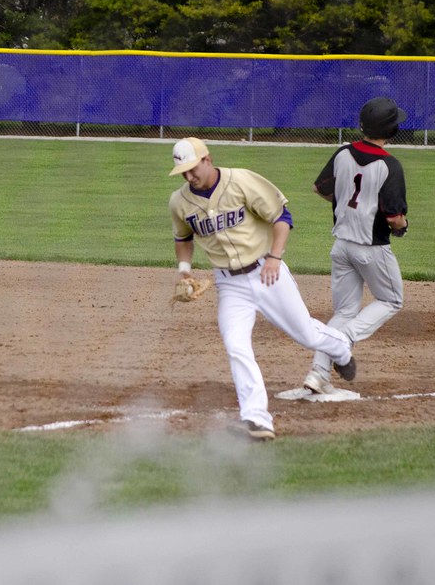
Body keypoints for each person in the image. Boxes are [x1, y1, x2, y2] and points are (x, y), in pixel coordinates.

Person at [167, 137, 353, 441]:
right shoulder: (180, 202)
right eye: (183, 172)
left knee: (306, 334)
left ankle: (340, 347)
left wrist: (275, 257)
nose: (189, 176)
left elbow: (281, 217)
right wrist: (184, 271)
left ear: (207, 159)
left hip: (267, 271)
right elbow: (183, 237)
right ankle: (256, 418)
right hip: (229, 285)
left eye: (192, 169)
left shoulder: (241, 181)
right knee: (236, 345)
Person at [304, 97, 409, 394]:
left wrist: (344, 202)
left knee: (344, 311)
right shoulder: (389, 165)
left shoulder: (342, 153)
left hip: (341, 247)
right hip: (371, 249)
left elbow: (320, 188)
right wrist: (402, 227)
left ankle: (317, 374)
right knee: (391, 300)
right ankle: (344, 340)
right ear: (391, 130)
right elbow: (395, 218)